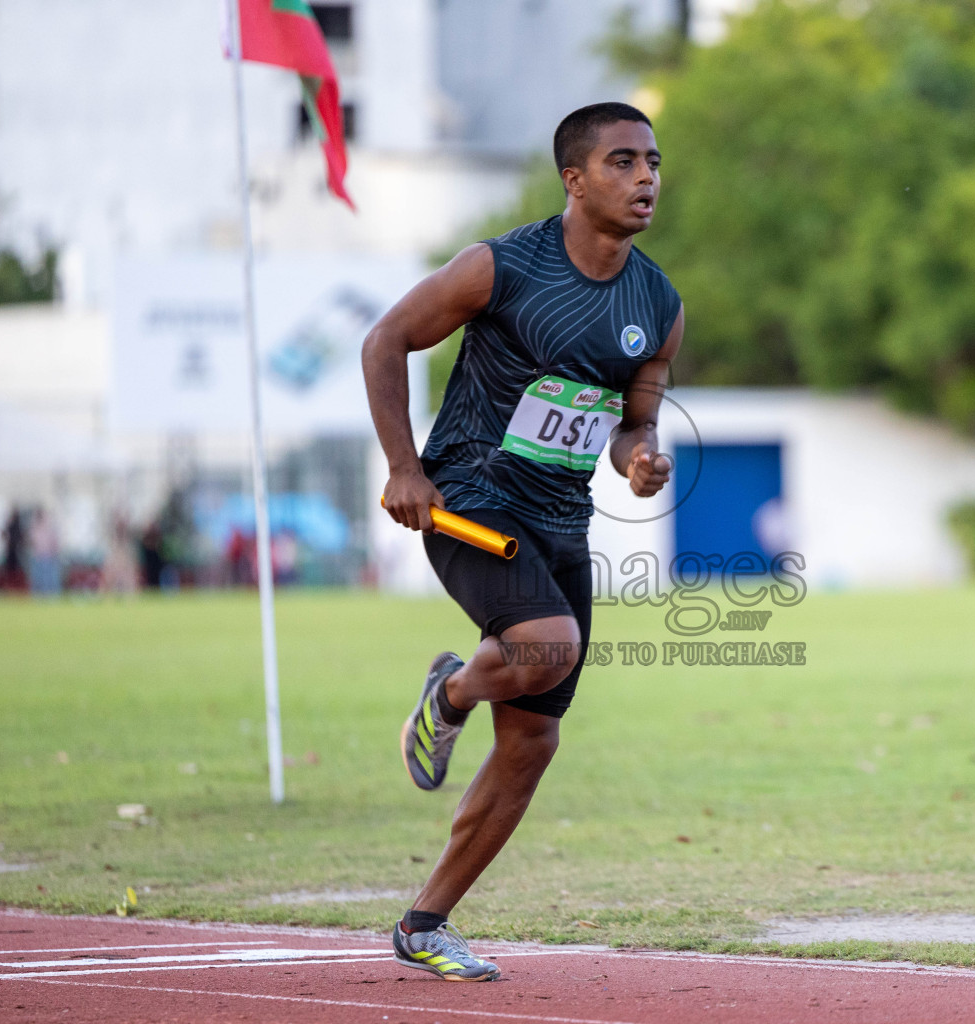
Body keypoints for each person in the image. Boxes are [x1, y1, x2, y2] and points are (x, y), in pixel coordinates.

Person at [361, 101, 682, 983]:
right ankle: (454, 694)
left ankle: (426, 923)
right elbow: (386, 338)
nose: (646, 177)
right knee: (547, 645)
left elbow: (630, 426)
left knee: (534, 742)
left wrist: (640, 459)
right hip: (468, 496)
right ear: (574, 179)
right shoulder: (499, 267)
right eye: (622, 161)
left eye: (653, 161)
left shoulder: (658, 302)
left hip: (558, 519)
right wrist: (404, 468)